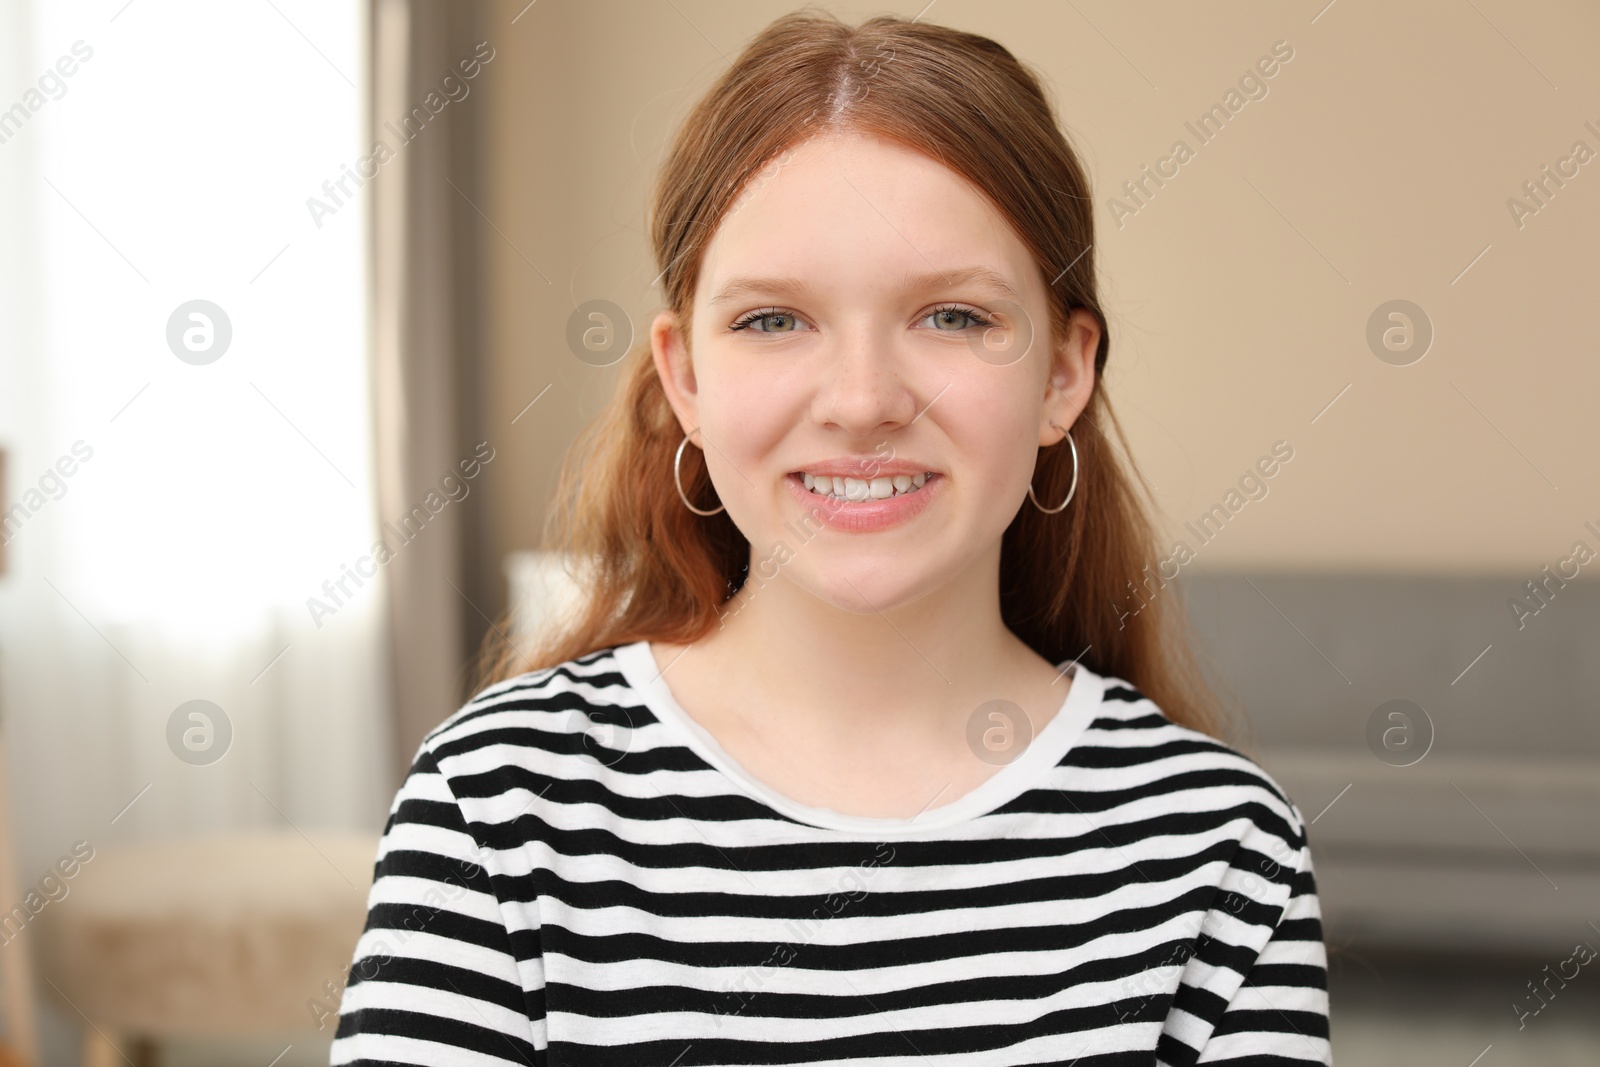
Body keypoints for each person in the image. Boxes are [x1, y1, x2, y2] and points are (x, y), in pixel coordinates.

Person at [331, 10, 1331, 1065]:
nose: (861, 401)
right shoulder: (495, 802)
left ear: (1063, 372)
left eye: (952, 315)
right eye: (772, 319)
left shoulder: (1220, 847)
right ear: (686, 378)